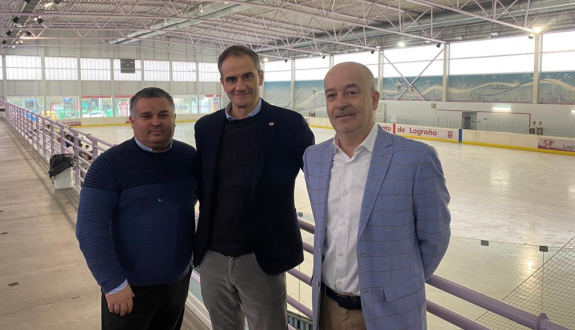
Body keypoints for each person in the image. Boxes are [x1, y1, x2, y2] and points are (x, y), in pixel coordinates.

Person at [303, 62, 451, 330]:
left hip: (388, 314)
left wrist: (394, 286)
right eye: (331, 95)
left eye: (351, 92)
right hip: (326, 309)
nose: (340, 103)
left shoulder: (417, 159)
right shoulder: (314, 158)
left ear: (373, 99)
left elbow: (435, 240)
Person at [194, 45, 314, 330]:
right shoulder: (206, 127)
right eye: (231, 79)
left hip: (262, 258)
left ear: (260, 76)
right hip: (212, 257)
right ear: (222, 83)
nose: (240, 85)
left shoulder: (289, 124)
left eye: (247, 76)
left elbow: (320, 178)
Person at [76, 87, 197, 330]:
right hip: (129, 288)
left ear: (174, 118)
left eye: (163, 115)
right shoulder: (109, 166)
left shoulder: (188, 158)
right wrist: (113, 284)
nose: (155, 122)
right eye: (146, 116)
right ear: (132, 121)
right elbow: (90, 230)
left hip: (178, 282)